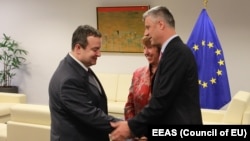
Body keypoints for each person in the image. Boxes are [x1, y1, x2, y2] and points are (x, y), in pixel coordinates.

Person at [110, 6, 203, 141]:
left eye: (148, 27)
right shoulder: (171, 52)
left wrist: (131, 127)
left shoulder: (176, 53)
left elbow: (161, 100)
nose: (146, 33)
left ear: (161, 25)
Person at [48, 25, 120, 141]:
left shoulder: (77, 67)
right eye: (95, 49)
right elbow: (91, 115)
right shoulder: (68, 79)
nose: (99, 54)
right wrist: (126, 127)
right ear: (78, 48)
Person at [124, 36, 160, 120]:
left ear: (160, 49)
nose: (146, 52)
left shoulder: (169, 74)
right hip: (138, 129)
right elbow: (129, 105)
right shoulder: (138, 74)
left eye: (150, 47)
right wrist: (133, 128)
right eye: (144, 48)